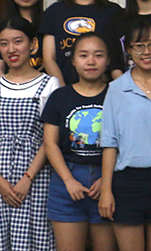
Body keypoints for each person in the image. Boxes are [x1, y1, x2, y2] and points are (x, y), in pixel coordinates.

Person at [0, 16, 61, 250]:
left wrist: (27, 179)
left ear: (33, 44)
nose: (11, 49)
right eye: (3, 43)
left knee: (33, 240)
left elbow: (48, 140)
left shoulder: (50, 85)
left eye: (18, 41)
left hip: (36, 178)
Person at [98, 21, 151, 251]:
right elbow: (109, 143)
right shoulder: (116, 89)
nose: (147, 52)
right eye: (139, 46)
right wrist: (106, 190)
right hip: (127, 184)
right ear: (129, 50)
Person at [40, 33, 116, 251]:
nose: (91, 61)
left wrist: (107, 180)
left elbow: (126, 141)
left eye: (98, 55)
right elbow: (50, 143)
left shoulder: (117, 95)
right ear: (73, 61)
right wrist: (68, 180)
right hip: (67, 182)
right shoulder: (60, 96)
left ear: (108, 60)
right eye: (83, 55)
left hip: (108, 182)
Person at [41, 0, 125, 85]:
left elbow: (117, 59)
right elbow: (49, 59)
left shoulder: (114, 12)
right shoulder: (54, 12)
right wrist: (63, 91)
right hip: (63, 88)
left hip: (104, 91)